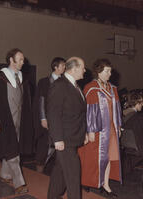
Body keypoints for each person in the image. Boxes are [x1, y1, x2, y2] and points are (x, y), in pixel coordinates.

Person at [0, 48, 33, 194]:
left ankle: (4, 174)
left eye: (23, 59)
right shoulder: (0, 77)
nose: (23, 62)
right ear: (11, 61)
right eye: (20, 59)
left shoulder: (21, 77)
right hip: (5, 120)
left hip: (20, 120)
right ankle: (19, 183)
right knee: (13, 152)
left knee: (12, 147)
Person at [78, 58, 122, 198]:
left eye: (110, 70)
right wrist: (90, 131)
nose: (110, 73)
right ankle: (86, 180)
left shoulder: (112, 88)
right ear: (99, 72)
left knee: (109, 157)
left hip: (111, 130)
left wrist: (119, 126)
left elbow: (118, 109)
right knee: (92, 159)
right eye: (107, 71)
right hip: (97, 130)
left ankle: (105, 184)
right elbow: (89, 111)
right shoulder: (91, 88)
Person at [47, 57, 87, 199]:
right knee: (73, 175)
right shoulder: (60, 85)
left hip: (74, 136)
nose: (85, 70)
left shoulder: (75, 86)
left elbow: (80, 113)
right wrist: (57, 139)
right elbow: (53, 113)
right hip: (64, 139)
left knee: (60, 171)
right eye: (83, 67)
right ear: (74, 68)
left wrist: (85, 133)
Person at [33, 57, 66, 172]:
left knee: (56, 145)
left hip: (60, 119)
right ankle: (39, 169)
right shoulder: (44, 82)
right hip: (47, 118)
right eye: (62, 66)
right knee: (44, 144)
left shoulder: (65, 82)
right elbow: (41, 100)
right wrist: (43, 118)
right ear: (55, 67)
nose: (64, 68)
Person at [121, 92, 143, 175]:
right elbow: (142, 135)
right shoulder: (138, 118)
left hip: (125, 145)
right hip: (136, 147)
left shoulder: (123, 114)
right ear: (137, 103)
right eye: (141, 102)